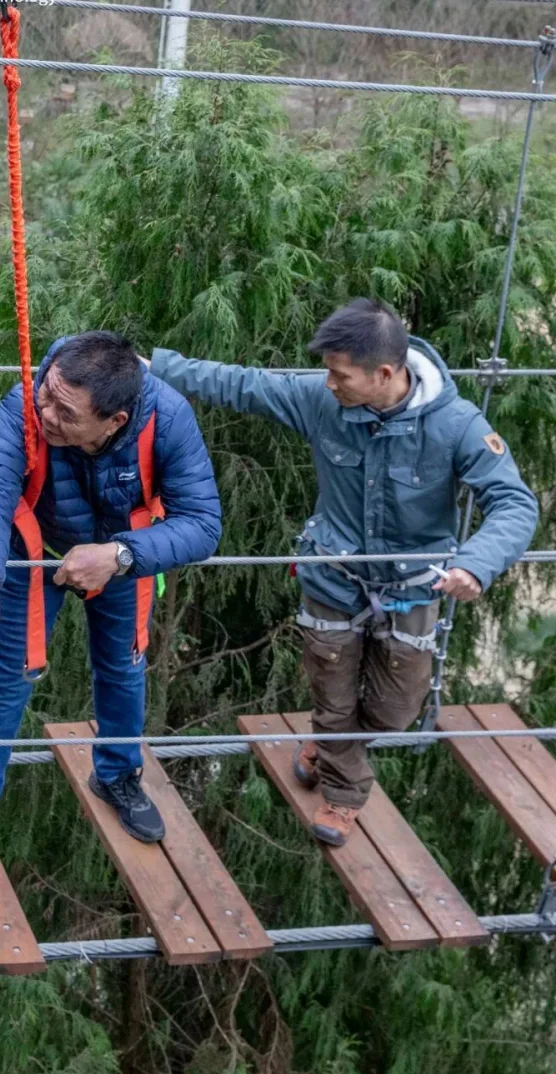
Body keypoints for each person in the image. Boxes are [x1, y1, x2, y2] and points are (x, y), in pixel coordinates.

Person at [149, 298, 538, 846]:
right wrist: (155, 368)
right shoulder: (322, 400)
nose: (329, 383)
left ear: (385, 374)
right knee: (333, 698)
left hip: (413, 588)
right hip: (332, 578)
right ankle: (343, 795)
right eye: (327, 371)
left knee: (397, 709)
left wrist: (476, 564)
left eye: (340, 374)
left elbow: (514, 503)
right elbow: (243, 384)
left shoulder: (457, 427)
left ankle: (331, 744)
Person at [0, 331, 222, 888]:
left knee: (124, 666)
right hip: (32, 550)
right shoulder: (30, 397)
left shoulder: (168, 418)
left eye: (66, 413)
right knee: (6, 679)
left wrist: (121, 555)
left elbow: (203, 524)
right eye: (46, 396)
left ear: (114, 422)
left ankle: (117, 775)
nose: (46, 415)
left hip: (121, 555)